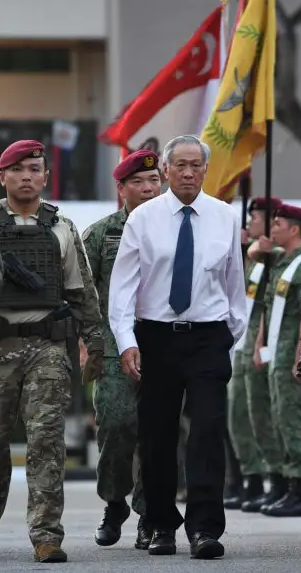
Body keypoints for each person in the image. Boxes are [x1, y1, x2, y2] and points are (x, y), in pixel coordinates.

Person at [0, 140, 105, 564]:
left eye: (35, 169)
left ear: (46, 176)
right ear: (2, 176)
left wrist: (95, 343)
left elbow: (82, 291)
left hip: (46, 348)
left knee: (47, 442)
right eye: (18, 169)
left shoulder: (62, 226)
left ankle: (46, 535)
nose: (27, 176)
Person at [108, 134, 246, 559]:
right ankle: (161, 524)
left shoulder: (224, 216)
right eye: (179, 166)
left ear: (206, 170)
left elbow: (234, 283)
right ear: (165, 171)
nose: (188, 173)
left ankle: (205, 528)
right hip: (157, 339)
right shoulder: (143, 219)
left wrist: (229, 335)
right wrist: (127, 341)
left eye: (196, 165)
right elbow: (123, 288)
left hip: (207, 338)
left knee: (206, 430)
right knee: (158, 436)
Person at [82, 149, 162, 549]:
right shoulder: (100, 234)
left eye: (153, 182)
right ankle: (115, 502)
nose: (147, 190)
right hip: (113, 345)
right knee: (115, 425)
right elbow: (80, 291)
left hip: (164, 343)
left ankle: (150, 515)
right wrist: (87, 342)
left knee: (157, 432)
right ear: (121, 189)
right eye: (137, 183)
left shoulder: (175, 227)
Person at [250, 203, 301, 517]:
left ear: (294, 229)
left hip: (291, 351)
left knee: (295, 421)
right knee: (280, 419)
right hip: (276, 352)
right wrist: (260, 344)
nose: (272, 229)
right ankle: (289, 488)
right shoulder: (281, 261)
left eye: (278, 224)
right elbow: (265, 302)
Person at [228, 196, 286, 513]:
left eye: (256, 218)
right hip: (244, 341)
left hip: (266, 344)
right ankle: (251, 478)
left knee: (263, 416)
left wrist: (252, 247)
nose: (250, 222)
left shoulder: (278, 256)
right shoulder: (257, 256)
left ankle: (275, 479)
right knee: (240, 414)